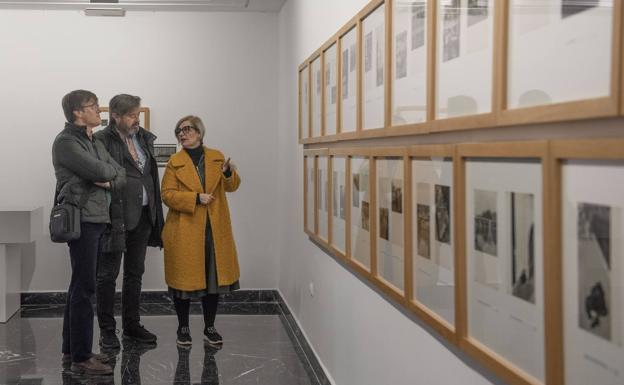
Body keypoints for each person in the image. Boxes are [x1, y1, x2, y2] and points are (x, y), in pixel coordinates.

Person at [52, 90, 126, 375]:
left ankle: (71, 350)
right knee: (85, 288)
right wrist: (105, 176)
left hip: (95, 218)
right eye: (93, 107)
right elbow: (102, 170)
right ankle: (81, 359)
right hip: (82, 220)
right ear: (77, 113)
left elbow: (117, 173)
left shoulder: (91, 140)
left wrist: (106, 178)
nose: (99, 111)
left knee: (79, 287)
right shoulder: (66, 143)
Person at [161, 115, 241, 347]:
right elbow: (166, 195)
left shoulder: (217, 158)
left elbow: (233, 186)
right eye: (178, 131)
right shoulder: (174, 162)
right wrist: (195, 198)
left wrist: (227, 173)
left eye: (187, 129)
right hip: (185, 231)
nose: (182, 134)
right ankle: (183, 327)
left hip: (214, 230)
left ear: (199, 132)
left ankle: (210, 326)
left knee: (212, 281)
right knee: (182, 283)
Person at [94, 94, 164, 349]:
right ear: (115, 116)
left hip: (145, 216)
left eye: (137, 114)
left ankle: (132, 326)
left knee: (135, 274)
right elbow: (99, 175)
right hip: (115, 218)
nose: (137, 119)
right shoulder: (101, 139)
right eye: (132, 115)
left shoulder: (143, 138)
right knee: (107, 276)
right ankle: (107, 330)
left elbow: (149, 176)